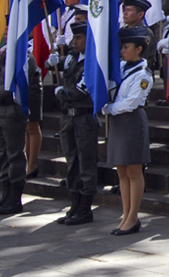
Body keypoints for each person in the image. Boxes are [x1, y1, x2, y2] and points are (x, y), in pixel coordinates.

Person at [104, 27, 154, 236]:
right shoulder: (122, 68)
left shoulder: (143, 75)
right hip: (118, 122)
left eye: (126, 47)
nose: (122, 51)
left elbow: (132, 102)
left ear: (139, 49)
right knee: (121, 171)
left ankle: (133, 217)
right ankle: (125, 215)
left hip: (131, 121)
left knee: (133, 171)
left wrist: (108, 108)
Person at [0, 52, 40, 216]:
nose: (7, 32)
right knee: (2, 154)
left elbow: (13, 85)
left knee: (14, 154)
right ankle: (6, 194)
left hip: (11, 109)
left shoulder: (25, 56)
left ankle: (15, 198)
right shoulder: (2, 54)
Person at [55, 20, 98, 226]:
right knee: (71, 161)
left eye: (79, 38)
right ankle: (74, 203)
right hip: (68, 117)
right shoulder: (72, 58)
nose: (75, 42)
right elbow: (62, 69)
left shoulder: (93, 60)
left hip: (84, 117)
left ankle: (85, 207)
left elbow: (82, 90)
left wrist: (64, 93)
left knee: (86, 161)